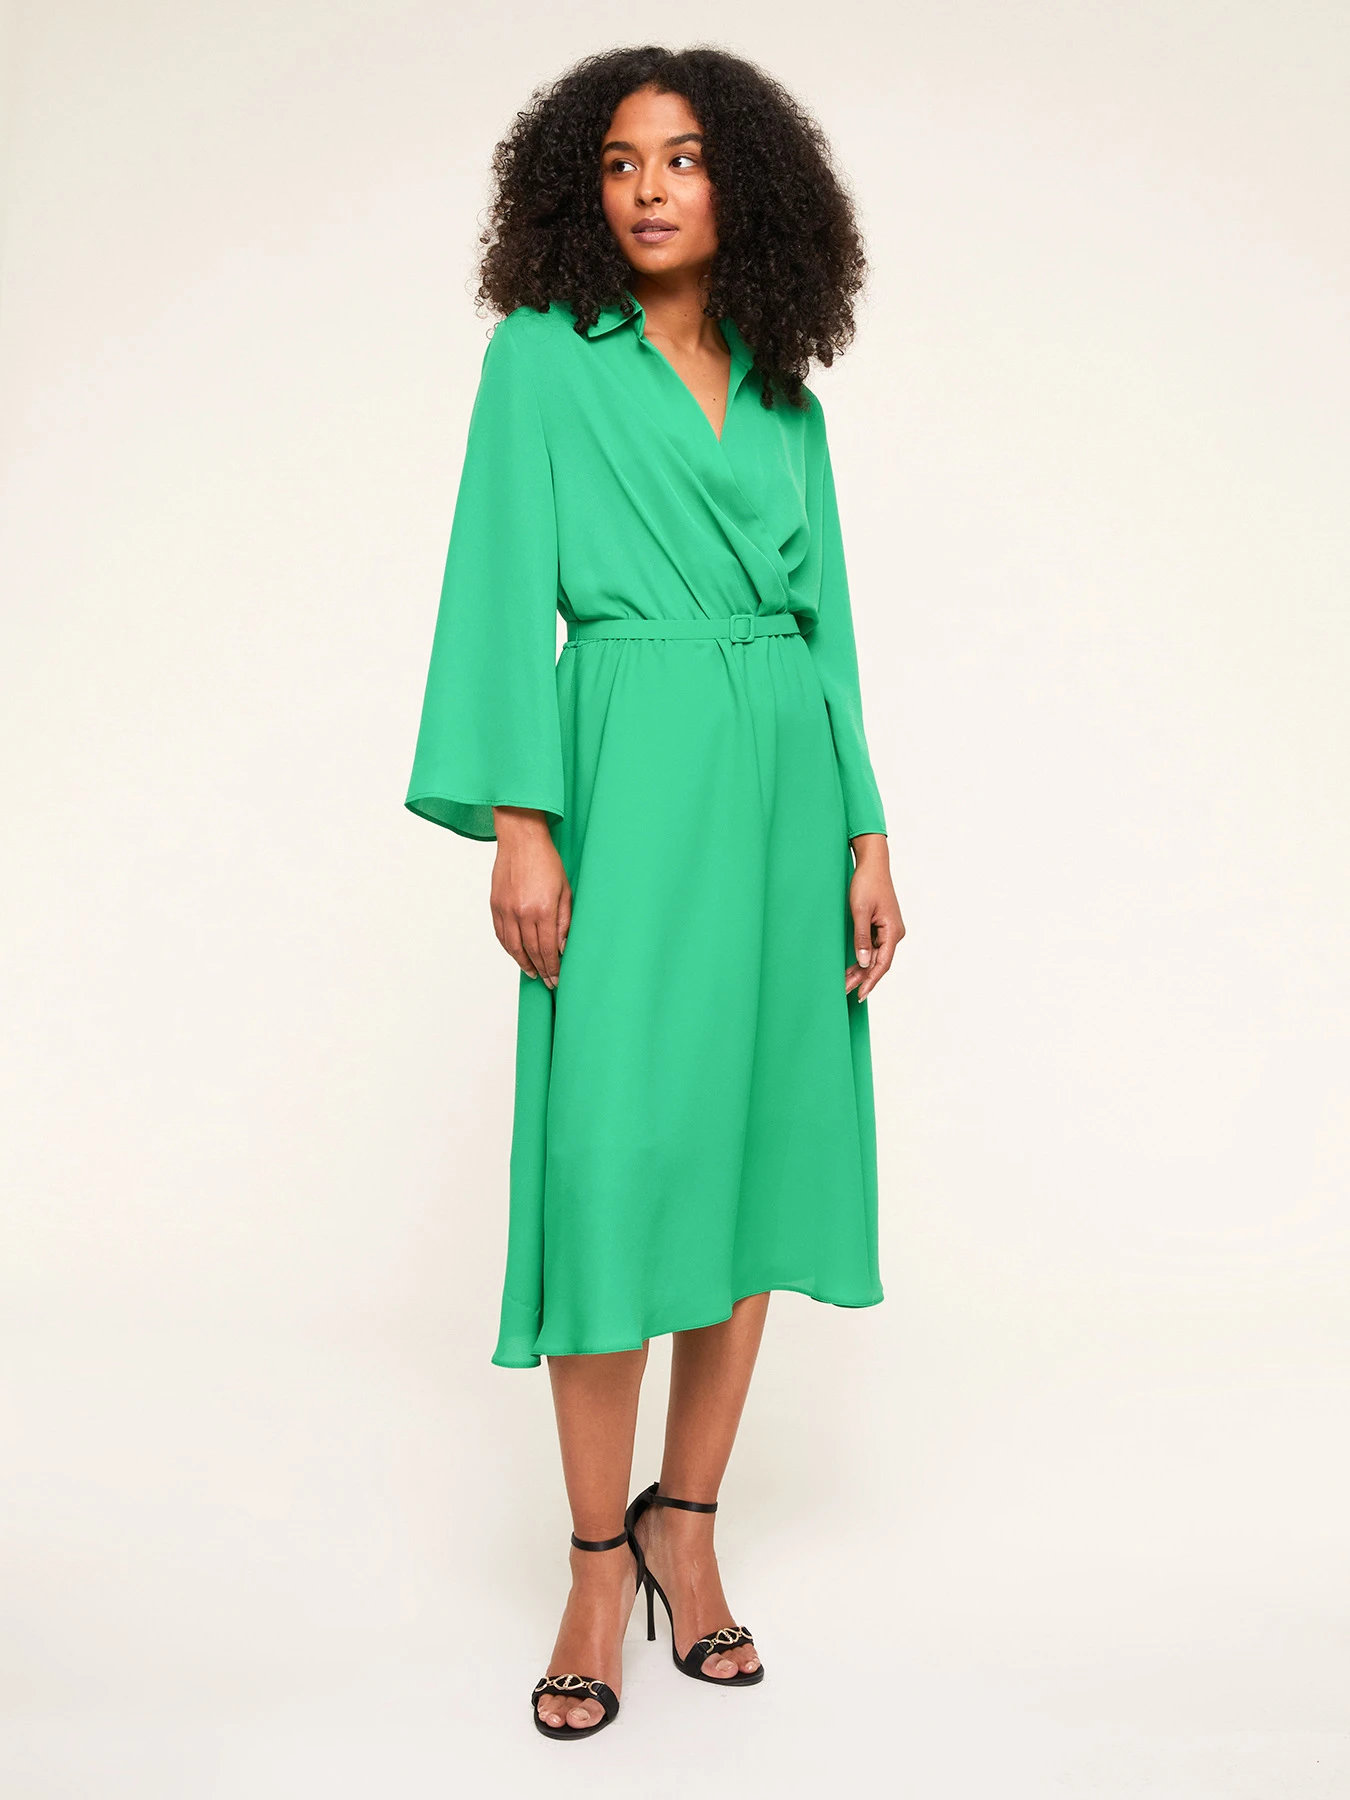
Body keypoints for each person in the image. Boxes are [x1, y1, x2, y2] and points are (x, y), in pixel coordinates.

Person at [405, 44, 905, 1739]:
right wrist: (521, 825)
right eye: (620, 161)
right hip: (624, 772)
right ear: (580, 185)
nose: (648, 188)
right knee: (612, 1158)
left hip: (780, 785)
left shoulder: (782, 390)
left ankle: (686, 1526)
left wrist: (864, 832)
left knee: (747, 1150)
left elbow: (828, 622)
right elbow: (494, 588)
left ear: (740, 182)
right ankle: (590, 1559)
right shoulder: (543, 359)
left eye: (682, 158)